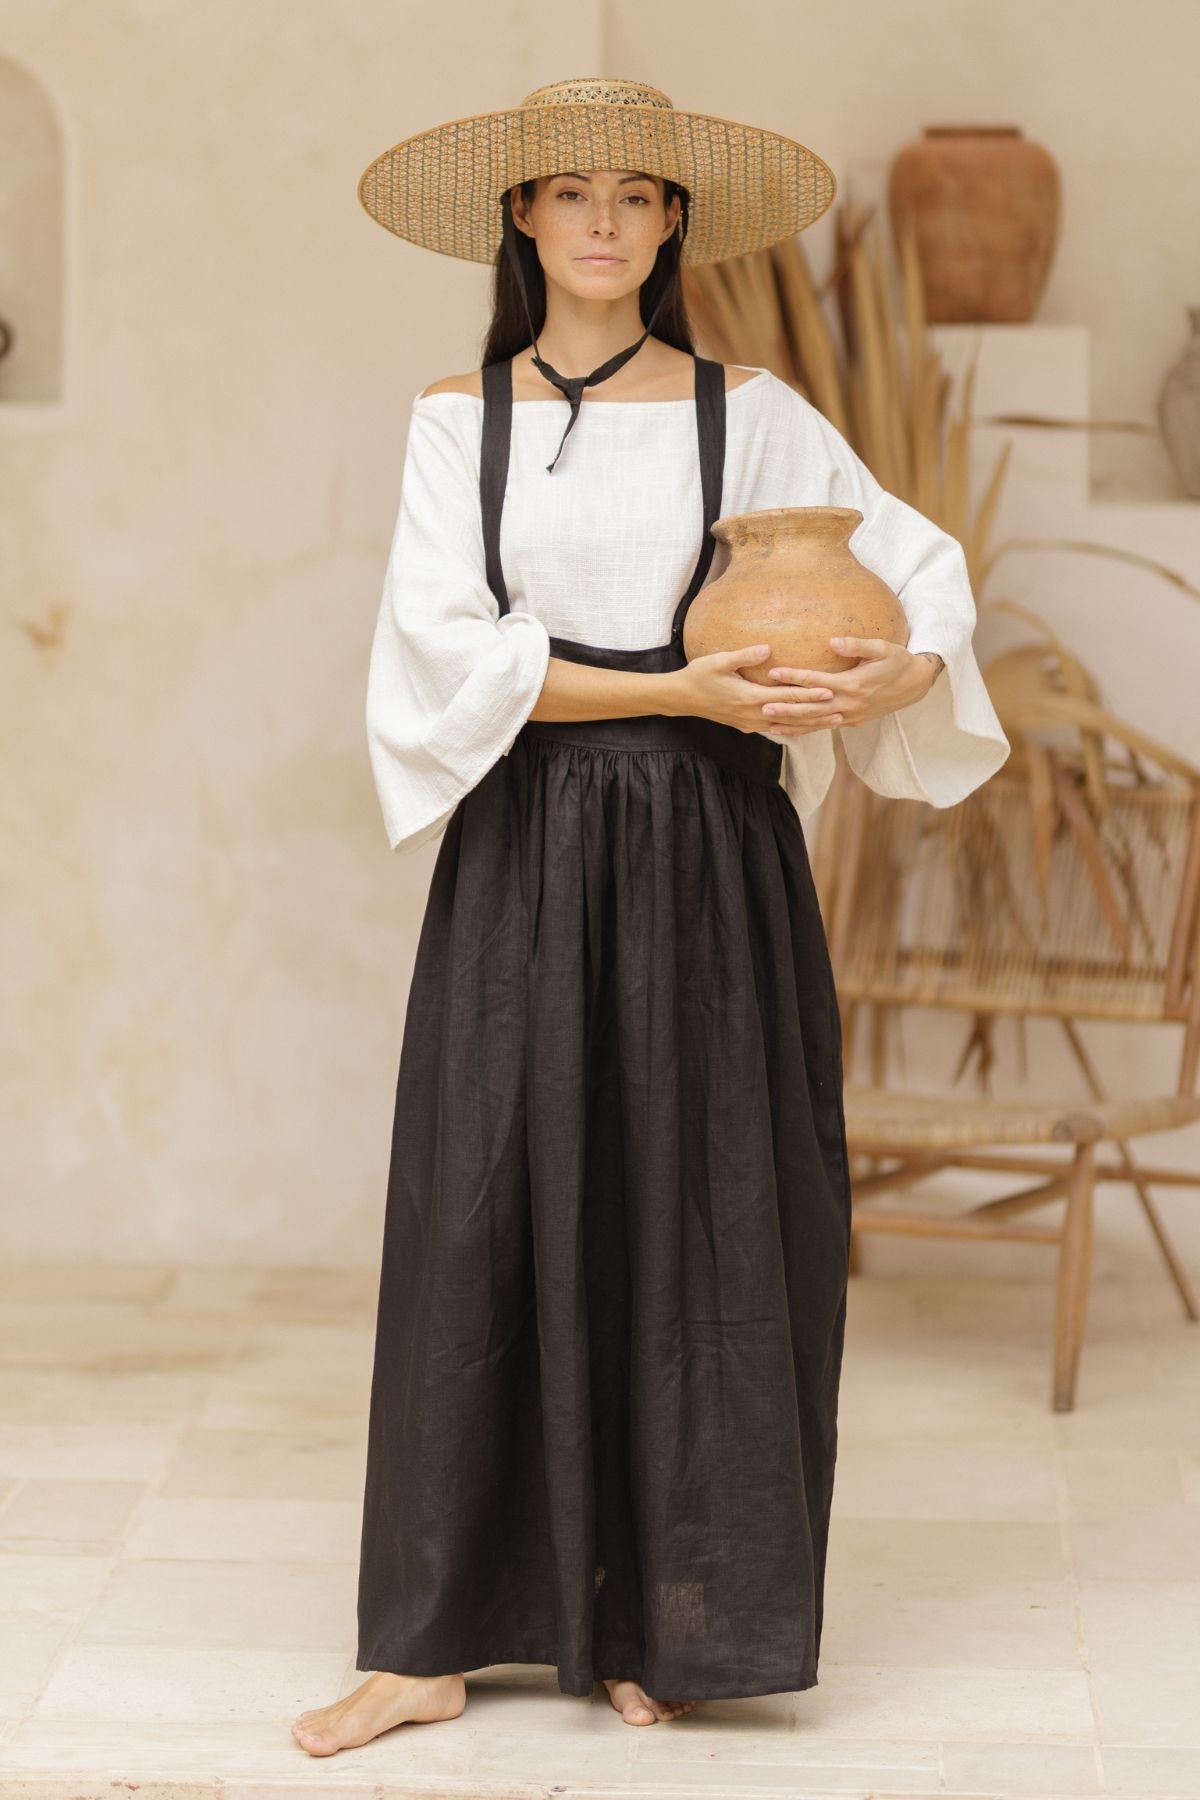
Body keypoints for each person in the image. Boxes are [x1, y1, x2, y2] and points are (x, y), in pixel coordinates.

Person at [291, 75, 1009, 1759]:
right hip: (525, 853)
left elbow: (918, 571)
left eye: (637, 195)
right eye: (570, 193)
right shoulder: (450, 422)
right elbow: (441, 659)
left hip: (708, 850)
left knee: (698, 1220)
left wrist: (901, 664)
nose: (604, 222)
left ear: (673, 223)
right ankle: (433, 1639)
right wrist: (673, 679)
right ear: (522, 219)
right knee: (484, 1217)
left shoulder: (749, 412)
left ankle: (669, 1622)